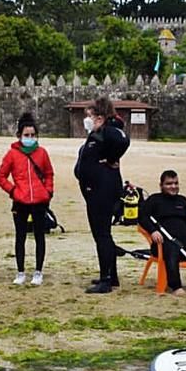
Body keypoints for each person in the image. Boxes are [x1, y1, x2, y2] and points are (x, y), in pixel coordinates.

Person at [75, 97, 130, 294]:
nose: (87, 120)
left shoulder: (109, 131)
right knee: (102, 235)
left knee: (102, 235)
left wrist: (112, 156)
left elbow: (123, 140)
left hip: (102, 192)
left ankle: (106, 280)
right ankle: (110, 274)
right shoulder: (97, 135)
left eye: (90, 116)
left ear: (99, 116)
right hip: (94, 190)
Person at [0, 112, 53, 286]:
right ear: (19, 136)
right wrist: (13, 191)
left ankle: (38, 271)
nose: (30, 138)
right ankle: (20, 271)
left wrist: (48, 191)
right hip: (20, 200)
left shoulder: (42, 153)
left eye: (33, 135)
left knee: (39, 236)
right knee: (20, 236)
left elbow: (49, 173)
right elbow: (1, 176)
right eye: (26, 135)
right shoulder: (12, 154)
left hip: (39, 200)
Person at [139, 170, 186, 297]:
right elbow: (142, 218)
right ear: (161, 185)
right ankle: (176, 287)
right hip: (163, 244)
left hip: (184, 244)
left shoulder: (182, 201)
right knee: (172, 250)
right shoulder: (154, 200)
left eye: (176, 183)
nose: (173, 187)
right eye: (169, 184)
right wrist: (153, 231)